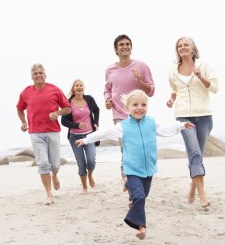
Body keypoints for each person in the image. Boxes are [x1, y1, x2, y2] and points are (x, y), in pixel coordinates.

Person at [76, 89, 194, 240]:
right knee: (138, 197)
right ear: (128, 108)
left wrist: (181, 126)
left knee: (143, 196)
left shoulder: (151, 123)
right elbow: (104, 133)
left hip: (149, 169)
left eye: (143, 104)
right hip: (132, 169)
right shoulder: (123, 126)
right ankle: (142, 227)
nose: (140, 107)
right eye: (135, 104)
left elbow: (166, 129)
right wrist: (86, 140)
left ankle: (129, 185)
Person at [166, 37, 219, 208]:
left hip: (204, 115)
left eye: (186, 45)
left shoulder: (203, 65)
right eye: (179, 46)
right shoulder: (173, 70)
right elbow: (174, 89)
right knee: (194, 152)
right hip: (183, 116)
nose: (182, 48)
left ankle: (192, 189)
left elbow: (215, 88)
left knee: (197, 155)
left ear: (193, 48)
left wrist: (200, 76)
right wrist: (171, 99)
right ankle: (203, 196)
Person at [104, 34, 155, 185]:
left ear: (131, 48)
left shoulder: (141, 66)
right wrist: (107, 99)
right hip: (119, 115)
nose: (125, 46)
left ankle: (138, 180)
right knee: (125, 151)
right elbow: (107, 89)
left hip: (139, 115)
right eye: (121, 45)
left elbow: (151, 91)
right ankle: (130, 185)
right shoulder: (109, 70)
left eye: (127, 44)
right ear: (116, 49)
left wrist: (139, 80)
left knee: (138, 150)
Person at [16, 63, 71, 205]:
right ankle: (49, 194)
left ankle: (55, 175)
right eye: (35, 73)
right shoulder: (26, 92)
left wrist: (57, 113)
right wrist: (23, 122)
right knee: (43, 164)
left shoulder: (54, 90)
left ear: (45, 75)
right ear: (32, 77)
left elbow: (67, 108)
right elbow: (20, 108)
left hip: (53, 131)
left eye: (41, 73)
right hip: (35, 133)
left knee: (55, 164)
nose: (38, 75)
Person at [61, 79, 100, 195]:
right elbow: (63, 121)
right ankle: (84, 187)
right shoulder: (68, 103)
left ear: (84, 87)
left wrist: (96, 123)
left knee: (91, 161)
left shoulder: (89, 99)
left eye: (81, 85)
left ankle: (90, 175)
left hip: (89, 136)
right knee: (81, 164)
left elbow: (96, 111)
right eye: (76, 85)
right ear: (73, 89)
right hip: (75, 137)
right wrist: (77, 125)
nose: (79, 87)